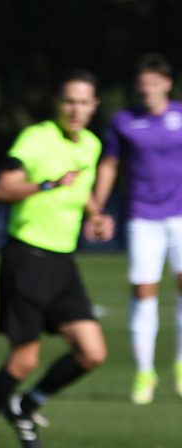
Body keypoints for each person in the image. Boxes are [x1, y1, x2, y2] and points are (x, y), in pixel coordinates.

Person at [0, 70, 114, 448]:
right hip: (26, 256)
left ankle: (28, 405)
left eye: (84, 102)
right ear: (58, 104)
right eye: (69, 101)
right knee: (24, 360)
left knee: (92, 352)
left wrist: (96, 216)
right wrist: (46, 185)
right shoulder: (36, 138)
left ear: (94, 106)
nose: (76, 109)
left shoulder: (92, 145)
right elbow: (2, 188)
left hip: (63, 260)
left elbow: (81, 194)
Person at [90, 54, 182, 404]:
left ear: (167, 83)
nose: (148, 89)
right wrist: (96, 208)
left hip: (180, 215)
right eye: (143, 83)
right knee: (144, 292)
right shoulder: (124, 121)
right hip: (143, 215)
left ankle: (180, 365)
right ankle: (144, 371)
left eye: (154, 82)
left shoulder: (180, 115)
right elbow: (109, 165)